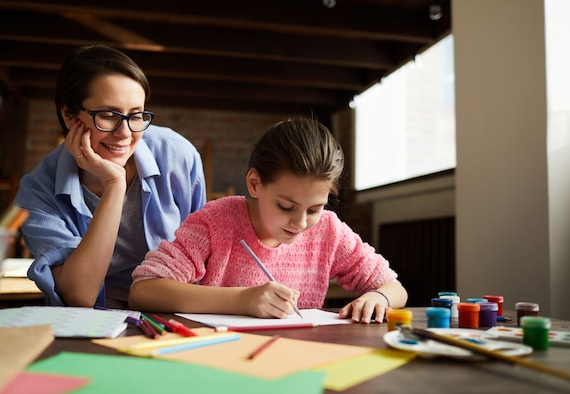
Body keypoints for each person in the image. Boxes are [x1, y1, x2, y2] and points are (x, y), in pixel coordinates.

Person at [129, 118, 407, 324]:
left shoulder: (329, 230)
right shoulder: (216, 221)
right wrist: (243, 300)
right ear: (254, 184)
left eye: (314, 209)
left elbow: (394, 288)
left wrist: (379, 298)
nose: (300, 223)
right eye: (287, 206)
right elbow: (144, 291)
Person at [15, 45, 206, 308]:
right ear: (69, 114)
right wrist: (114, 184)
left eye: (136, 116)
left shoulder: (177, 155)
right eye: (108, 116)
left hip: (172, 312)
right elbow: (79, 295)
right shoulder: (38, 191)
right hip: (92, 322)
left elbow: (205, 259)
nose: (125, 133)